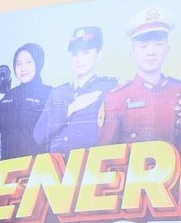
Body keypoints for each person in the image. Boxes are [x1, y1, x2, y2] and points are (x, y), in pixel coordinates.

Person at [97, 7, 181, 145]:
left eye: (158, 45)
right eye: (144, 46)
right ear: (132, 53)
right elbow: (106, 151)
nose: (151, 52)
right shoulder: (117, 97)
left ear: (167, 50)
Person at [32, 26, 117, 155]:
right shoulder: (58, 93)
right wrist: (71, 108)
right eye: (75, 54)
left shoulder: (109, 88)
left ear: (98, 54)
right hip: (58, 166)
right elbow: (39, 135)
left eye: (86, 53)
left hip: (92, 163)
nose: (79, 59)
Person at [0, 43, 51, 160]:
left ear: (38, 63)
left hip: (38, 165)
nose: (23, 68)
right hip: (9, 167)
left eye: (28, 62)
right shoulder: (9, 95)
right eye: (18, 64)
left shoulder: (49, 93)